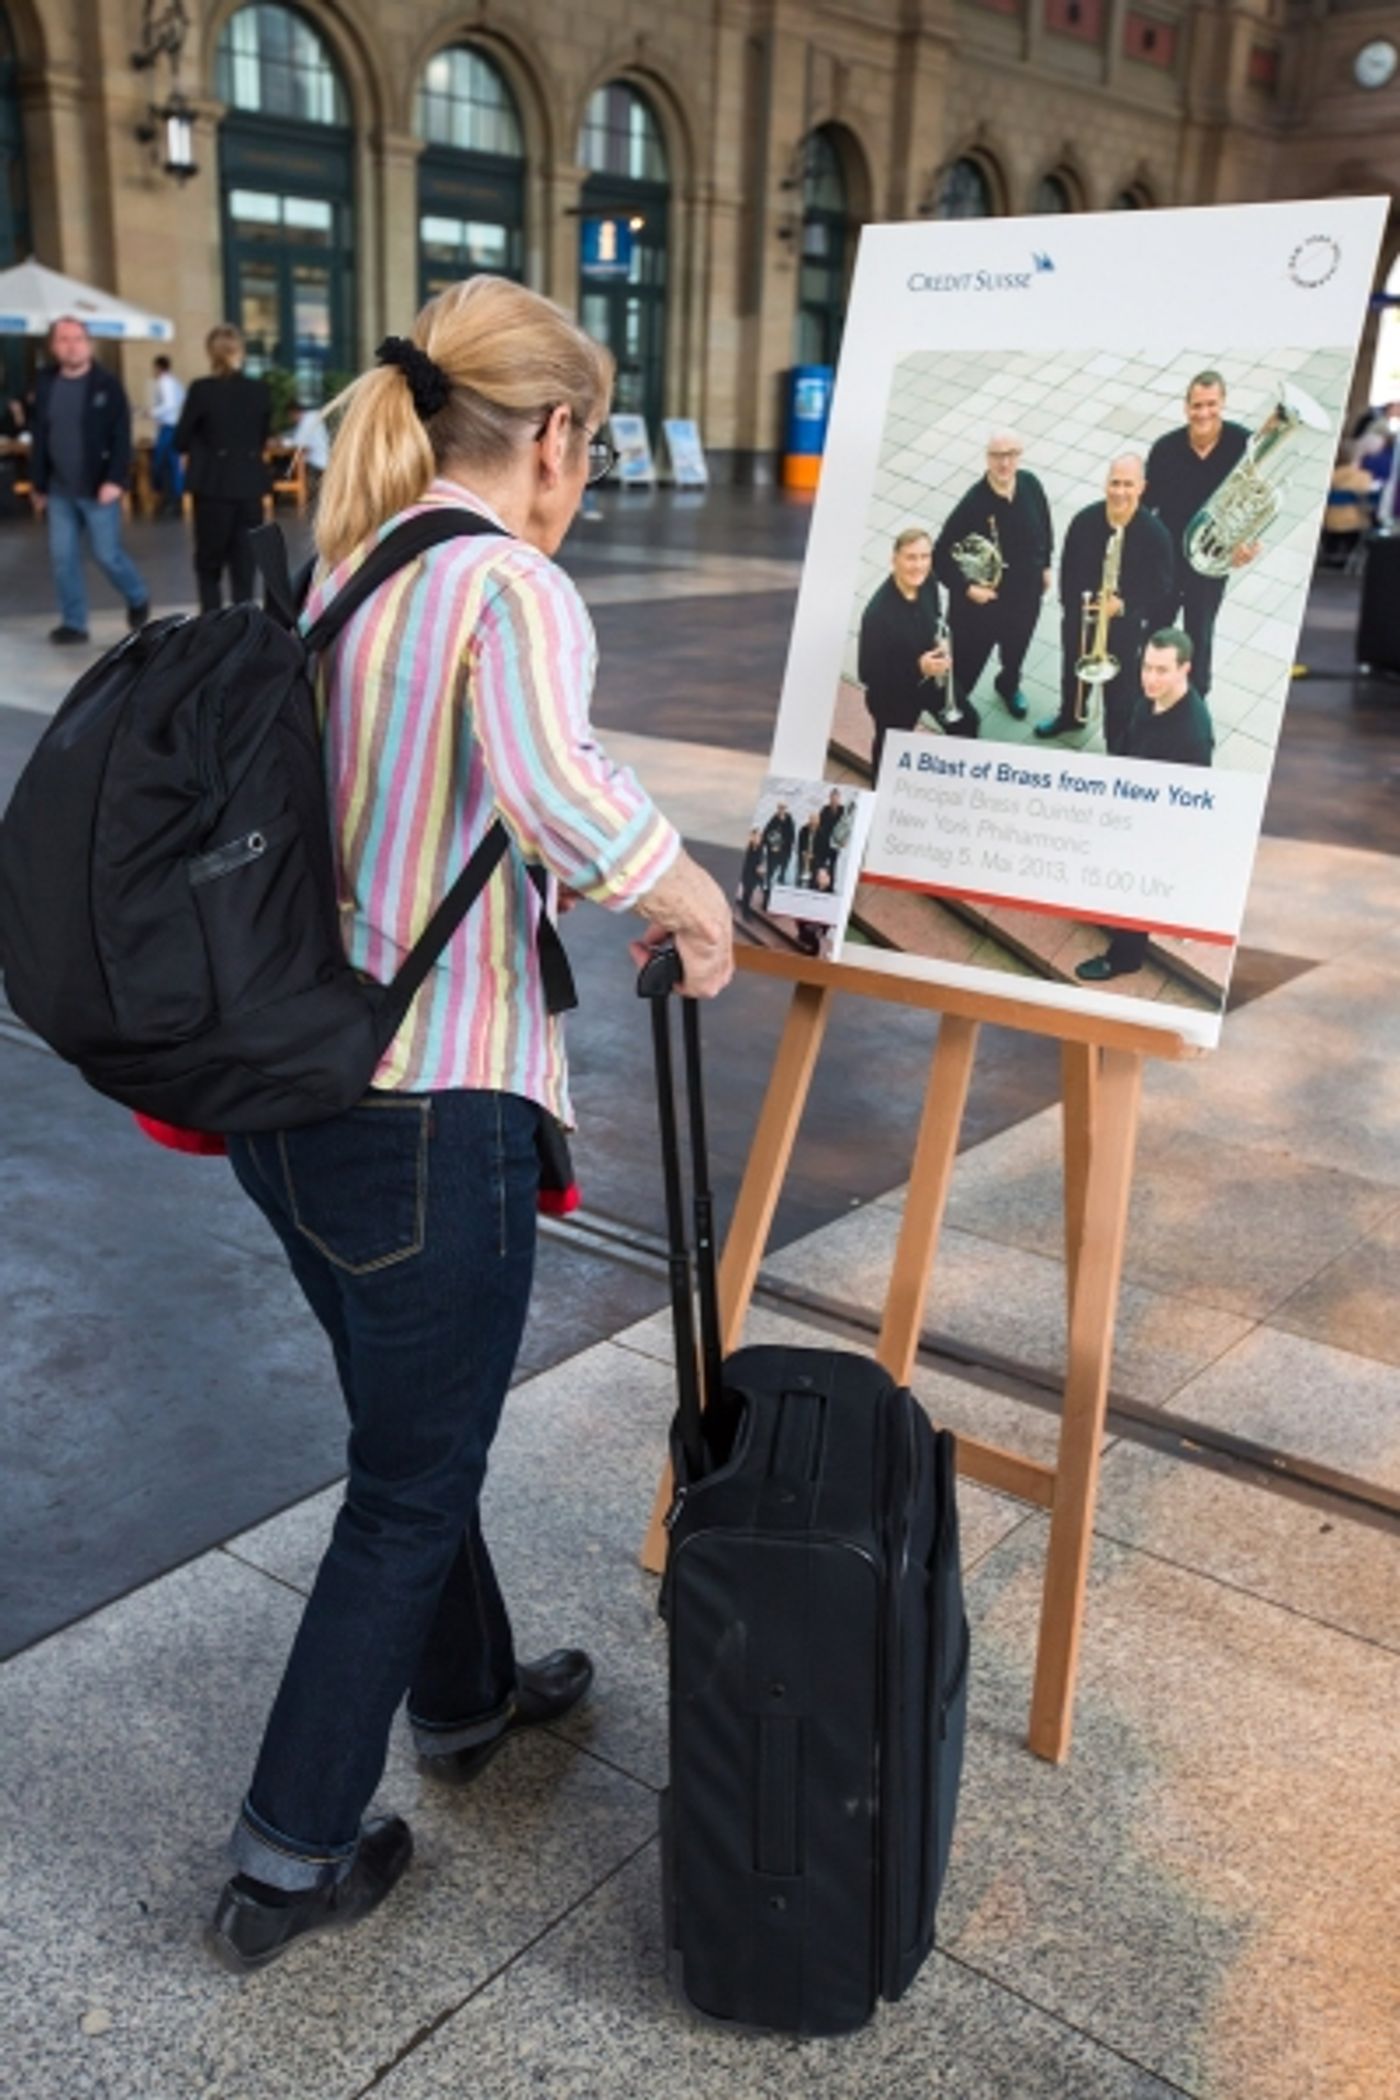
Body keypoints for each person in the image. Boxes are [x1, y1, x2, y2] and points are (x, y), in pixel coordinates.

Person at [205, 276, 734, 1973]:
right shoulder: (506, 577)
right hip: (428, 1111)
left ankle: (466, 1698)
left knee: (409, 1437)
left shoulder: (350, 572)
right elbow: (558, 788)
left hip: (290, 1103)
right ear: (561, 435)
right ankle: (288, 1853)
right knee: (409, 1483)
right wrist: (693, 899)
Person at [1075, 627, 1213, 983]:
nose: (1150, 678)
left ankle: (1124, 958)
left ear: (1185, 669)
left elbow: (1189, 803)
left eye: (1161, 670)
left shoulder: (1193, 735)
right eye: (1147, 667)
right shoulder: (1150, 697)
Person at [1035, 454, 1174, 753]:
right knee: (1072, 672)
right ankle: (1070, 715)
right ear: (1105, 484)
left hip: (1124, 625)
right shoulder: (1085, 520)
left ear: (1141, 487)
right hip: (1081, 618)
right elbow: (1069, 571)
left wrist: (1122, 605)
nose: (1119, 491)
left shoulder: (1155, 534)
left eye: (1127, 484)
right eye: (1114, 483)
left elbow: (1161, 587)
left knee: (1120, 691)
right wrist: (1074, 609)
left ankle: (1117, 743)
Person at [29, 315, 150, 645]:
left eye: (78, 338)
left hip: (99, 488)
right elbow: (40, 436)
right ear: (54, 346)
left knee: (107, 554)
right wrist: (38, 484)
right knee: (63, 558)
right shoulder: (45, 383)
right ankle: (74, 623)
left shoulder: (107, 385)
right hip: (59, 489)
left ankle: (137, 595)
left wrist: (116, 480)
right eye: (64, 339)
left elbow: (121, 437)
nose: (72, 345)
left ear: (89, 344)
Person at [1144, 371, 1258, 703]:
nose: (1203, 413)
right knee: (1155, 629)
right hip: (1167, 558)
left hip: (1211, 561)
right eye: (1197, 405)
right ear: (1186, 407)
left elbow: (1253, 501)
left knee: (1200, 634)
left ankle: (1195, 703)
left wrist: (1247, 542)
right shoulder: (1165, 449)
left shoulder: (1243, 444)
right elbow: (1148, 508)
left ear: (1222, 403)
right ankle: (1149, 695)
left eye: (1211, 404)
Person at [934, 431, 1053, 725]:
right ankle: (956, 707)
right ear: (987, 459)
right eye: (998, 456)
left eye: (1012, 454)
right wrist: (967, 589)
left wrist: (1046, 565)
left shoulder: (1030, 484)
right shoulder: (973, 503)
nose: (1005, 463)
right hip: (981, 606)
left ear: (1020, 455)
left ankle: (1008, 685)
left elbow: (1046, 527)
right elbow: (939, 556)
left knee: (1015, 652)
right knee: (966, 666)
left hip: (1024, 598)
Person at [175, 323, 272, 612]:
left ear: (210, 352)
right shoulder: (259, 391)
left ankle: (212, 628)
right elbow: (262, 436)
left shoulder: (201, 390)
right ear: (240, 350)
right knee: (245, 566)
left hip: (213, 485)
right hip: (249, 483)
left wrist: (199, 442)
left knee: (209, 565)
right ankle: (244, 630)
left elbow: (179, 439)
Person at [858, 527, 955, 773]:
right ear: (894, 560)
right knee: (890, 749)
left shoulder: (929, 580)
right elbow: (869, 674)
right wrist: (918, 666)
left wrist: (940, 642)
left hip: (930, 678)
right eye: (911, 557)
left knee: (968, 723)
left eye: (925, 557)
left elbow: (936, 616)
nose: (919, 565)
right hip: (893, 697)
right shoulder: (877, 615)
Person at [149, 353, 186, 514]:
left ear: (158, 367)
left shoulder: (164, 382)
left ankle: (170, 500)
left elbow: (169, 404)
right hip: (174, 426)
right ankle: (173, 499)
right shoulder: (175, 382)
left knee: (163, 464)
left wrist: (152, 412)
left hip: (168, 427)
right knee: (172, 464)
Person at [760, 800, 795, 900]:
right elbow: (765, 835)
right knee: (769, 874)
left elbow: (791, 837)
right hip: (773, 853)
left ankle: (780, 896)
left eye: (783, 808)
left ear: (786, 809)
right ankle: (767, 895)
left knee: (782, 874)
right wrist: (771, 846)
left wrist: (783, 846)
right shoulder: (773, 820)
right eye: (780, 808)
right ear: (777, 808)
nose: (781, 810)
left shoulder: (789, 820)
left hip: (784, 853)